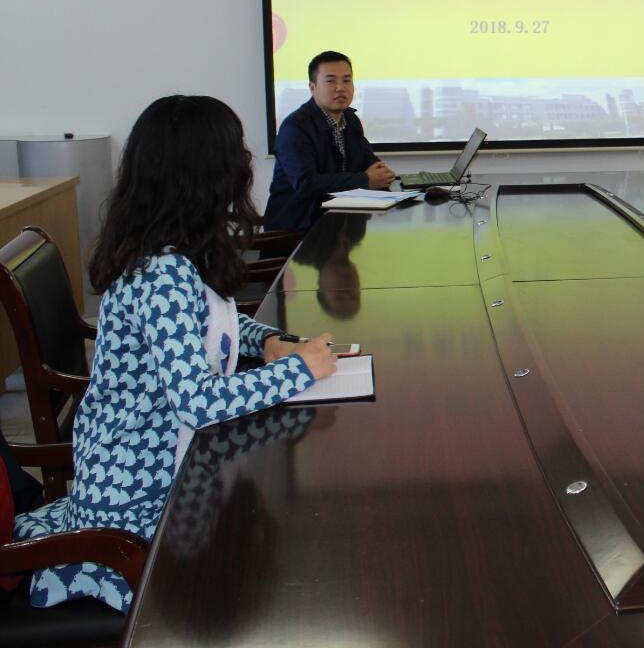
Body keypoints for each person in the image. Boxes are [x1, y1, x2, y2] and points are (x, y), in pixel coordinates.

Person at [12, 95, 338, 612]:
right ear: (205, 173)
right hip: (141, 498)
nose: (245, 161)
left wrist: (267, 342)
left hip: (162, 461)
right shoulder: (161, 273)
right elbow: (198, 402)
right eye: (236, 150)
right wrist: (299, 370)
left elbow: (212, 319)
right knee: (273, 563)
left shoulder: (175, 248)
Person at [264, 50, 396, 232]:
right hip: (298, 230)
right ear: (312, 87)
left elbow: (368, 161)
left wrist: (381, 174)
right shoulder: (295, 128)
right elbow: (306, 184)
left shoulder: (351, 120)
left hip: (343, 225)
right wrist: (365, 179)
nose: (340, 88)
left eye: (347, 80)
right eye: (331, 81)